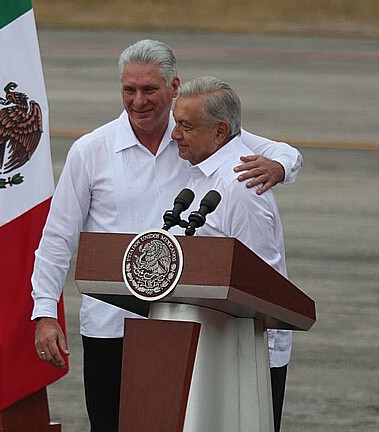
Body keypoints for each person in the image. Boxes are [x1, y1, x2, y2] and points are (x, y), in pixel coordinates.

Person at [31, 39, 302, 432]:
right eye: (129, 90)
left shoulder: (197, 134)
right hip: (111, 325)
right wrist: (43, 312)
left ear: (174, 87)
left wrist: (278, 168)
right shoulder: (92, 150)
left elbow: (283, 152)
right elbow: (57, 237)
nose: (138, 101)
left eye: (149, 90)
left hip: (186, 326)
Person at [171, 75, 292, 432]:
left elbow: (263, 285)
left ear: (220, 131)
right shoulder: (202, 173)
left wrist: (259, 358)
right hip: (209, 345)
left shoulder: (240, 185)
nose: (174, 134)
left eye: (185, 126)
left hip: (245, 356)